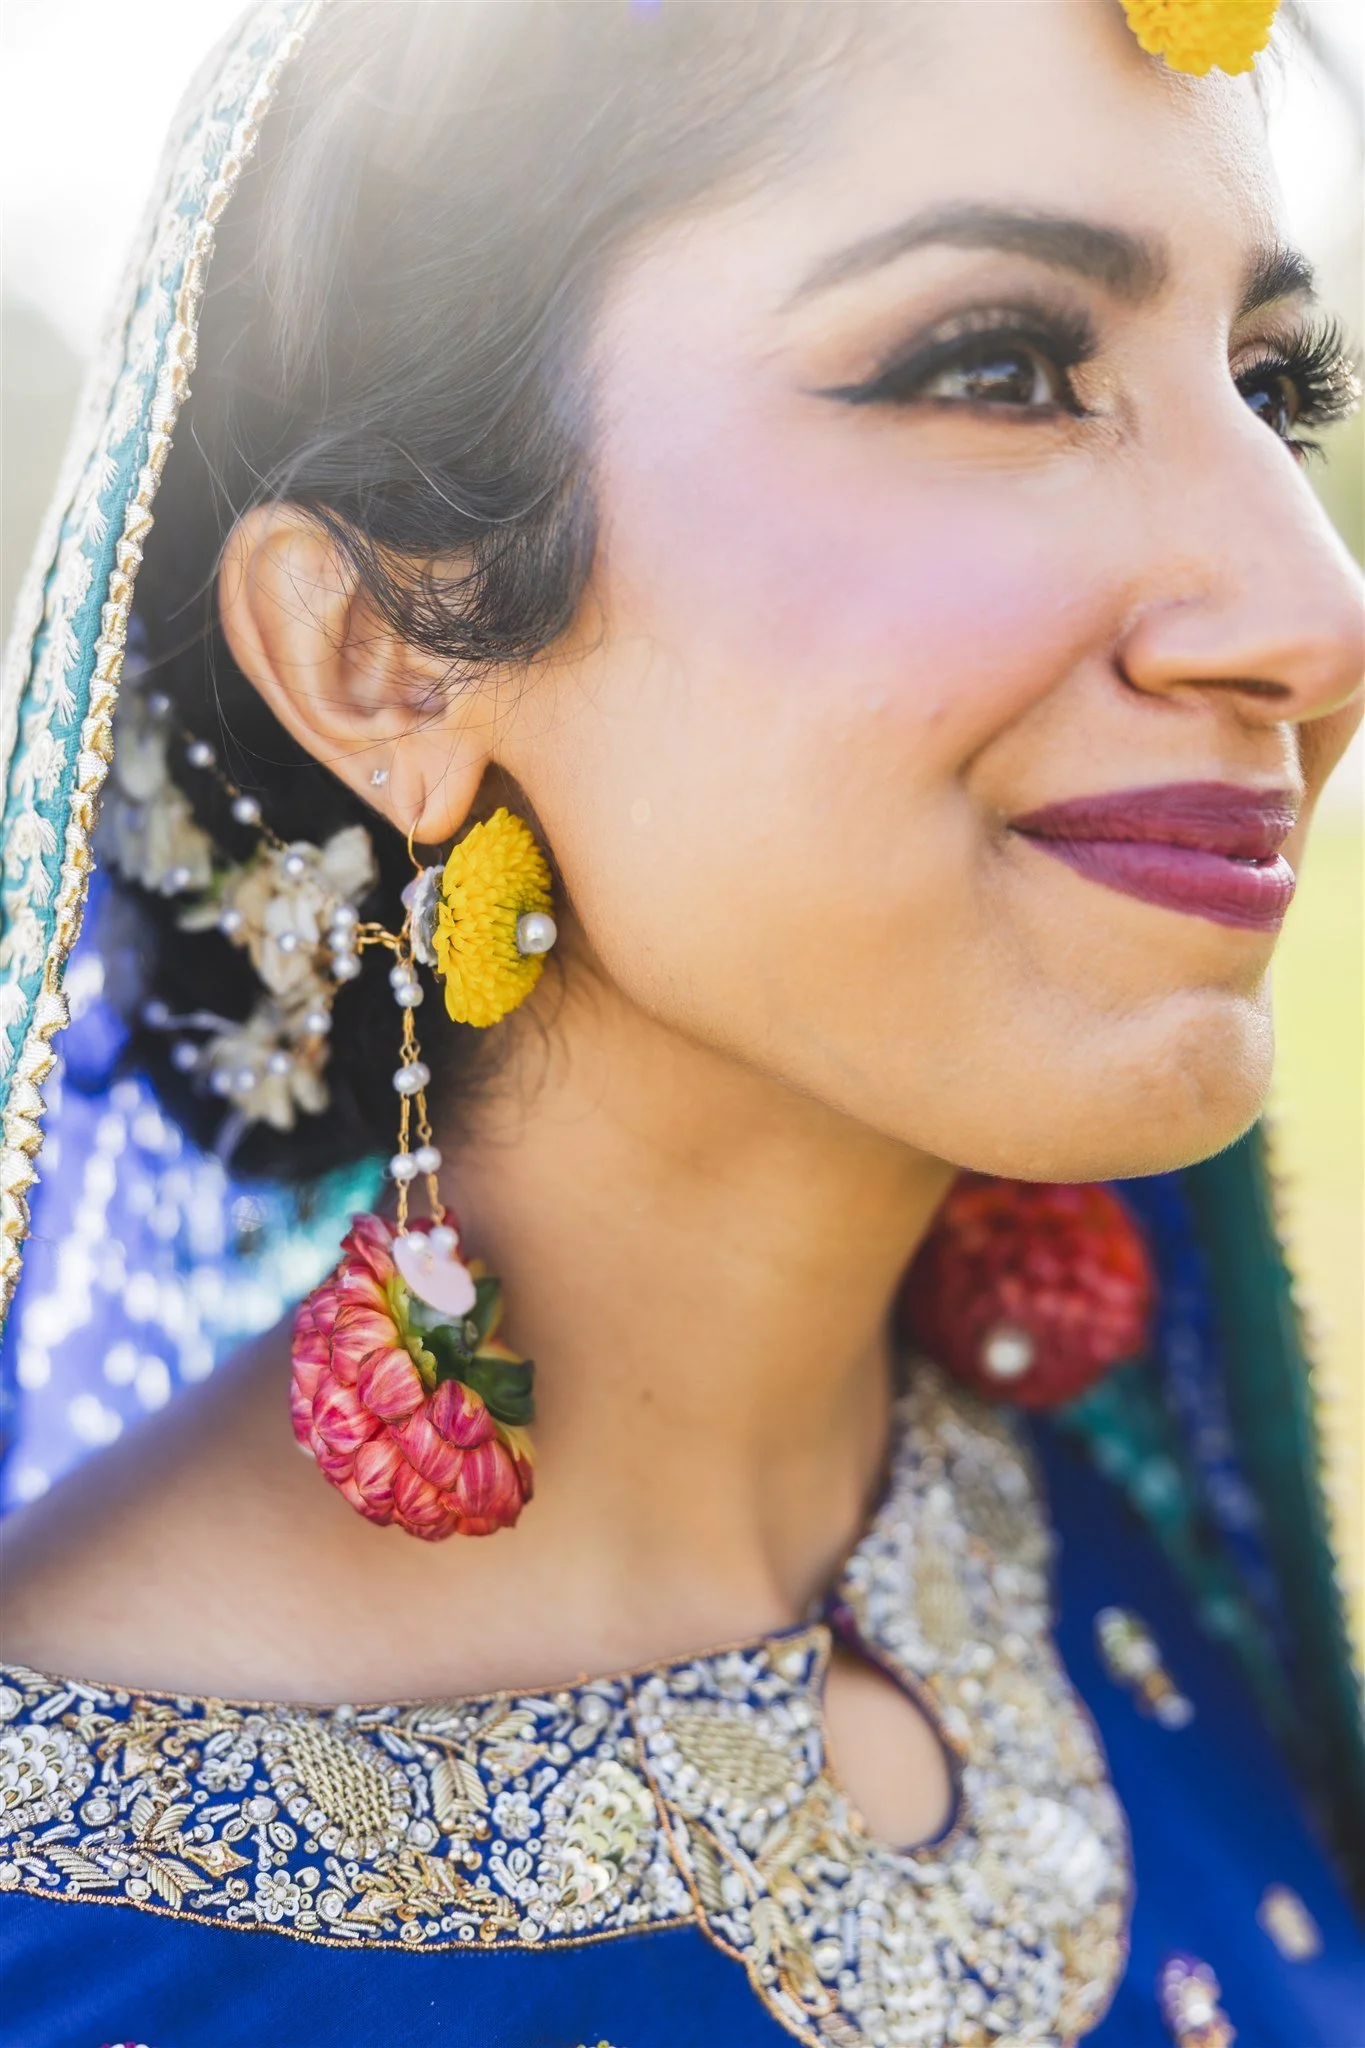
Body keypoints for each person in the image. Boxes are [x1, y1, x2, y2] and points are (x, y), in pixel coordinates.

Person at [0, 3, 1361, 2042]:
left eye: (1272, 388)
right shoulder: (78, 1952)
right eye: (996, 367)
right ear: (376, 655)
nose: (1313, 616)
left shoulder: (1097, 1539)